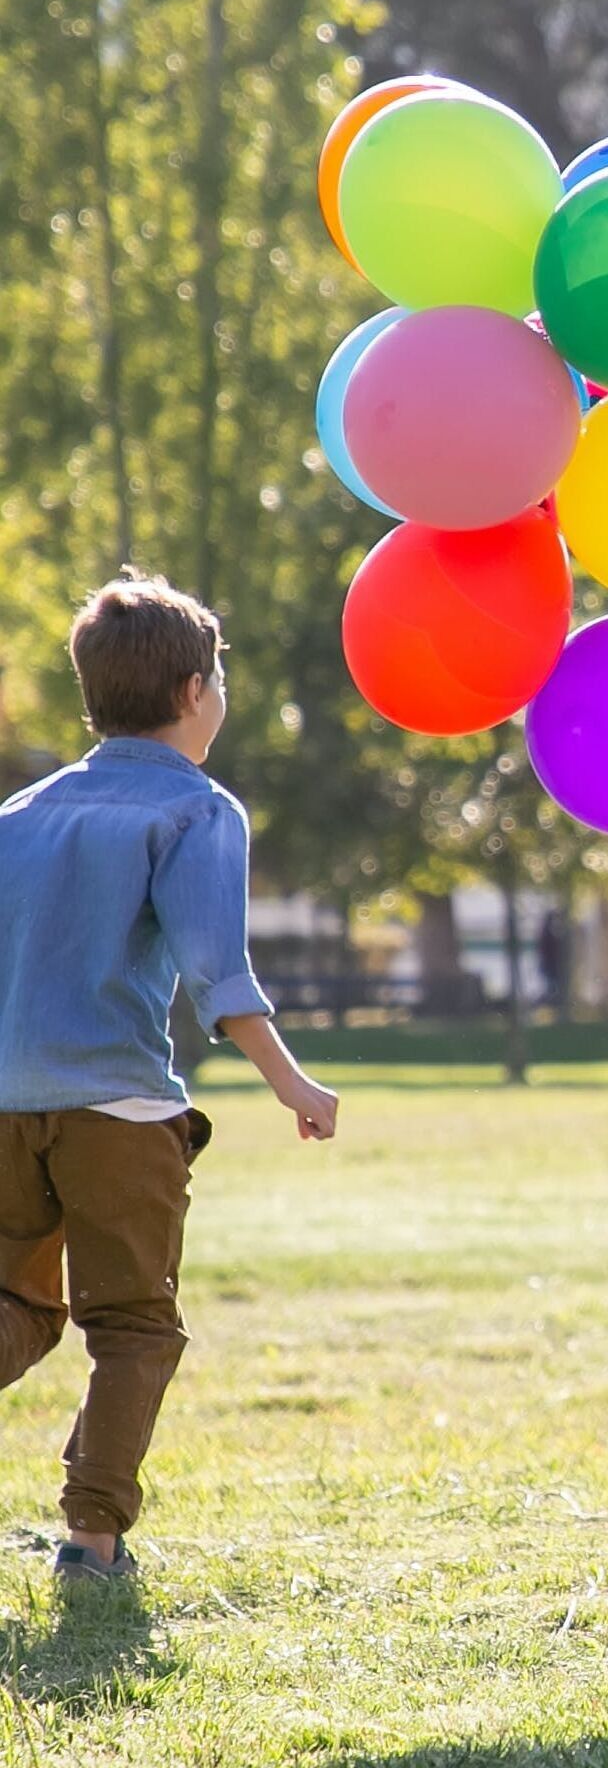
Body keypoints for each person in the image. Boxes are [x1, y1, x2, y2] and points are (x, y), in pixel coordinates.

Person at [0, 574, 339, 1582]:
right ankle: (92, 1540)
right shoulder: (198, 810)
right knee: (134, 1326)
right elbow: (216, 974)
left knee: (19, 1306)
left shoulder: (19, 813)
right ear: (195, 692)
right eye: (220, 677)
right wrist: (293, 1084)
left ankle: (92, 1531)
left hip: (7, 1107)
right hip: (116, 1113)